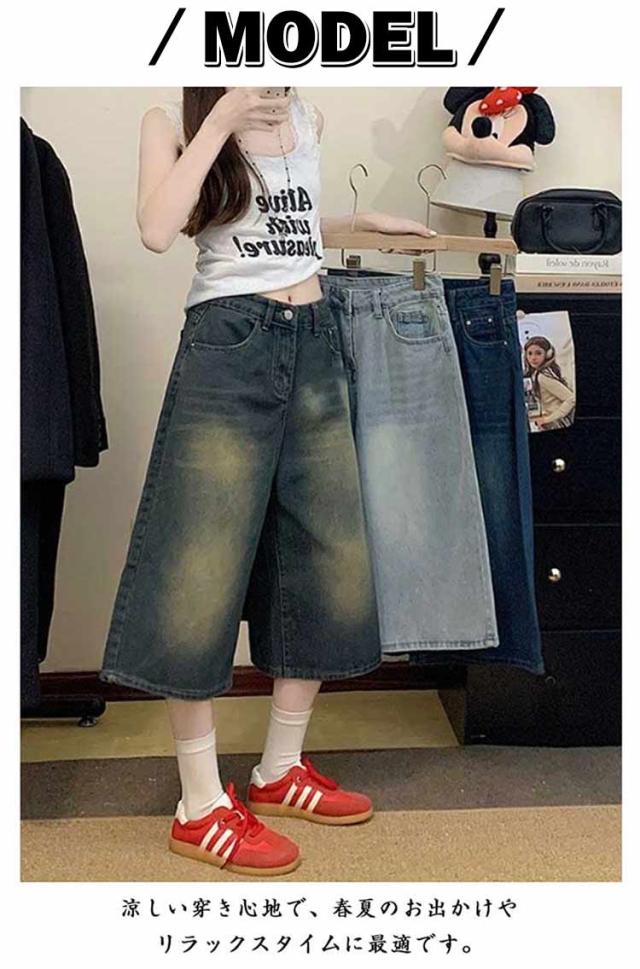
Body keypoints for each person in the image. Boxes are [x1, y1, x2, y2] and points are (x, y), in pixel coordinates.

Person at [99, 87, 435, 877]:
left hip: (314, 335)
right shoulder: (171, 121)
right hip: (230, 342)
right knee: (199, 565)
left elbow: (280, 230)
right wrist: (220, 120)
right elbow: (157, 228)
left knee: (326, 555)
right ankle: (198, 804)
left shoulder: (310, 116)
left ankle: (279, 769)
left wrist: (356, 224)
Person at [523, 335, 576, 430]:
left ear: (547, 354)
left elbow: (571, 399)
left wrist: (547, 419)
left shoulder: (543, 377)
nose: (533, 358)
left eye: (538, 353)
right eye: (529, 353)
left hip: (558, 423)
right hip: (553, 422)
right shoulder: (537, 374)